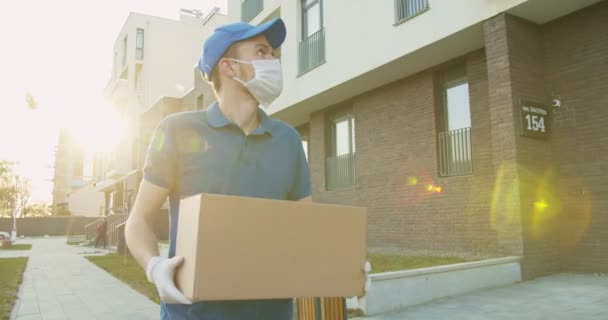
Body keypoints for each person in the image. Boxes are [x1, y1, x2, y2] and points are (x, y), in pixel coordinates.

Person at [125, 17, 311, 320]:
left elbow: (307, 229)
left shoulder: (288, 140)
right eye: (262, 52)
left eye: (274, 54)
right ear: (229, 66)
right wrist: (153, 266)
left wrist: (343, 268)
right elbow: (138, 221)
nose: (273, 60)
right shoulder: (175, 130)